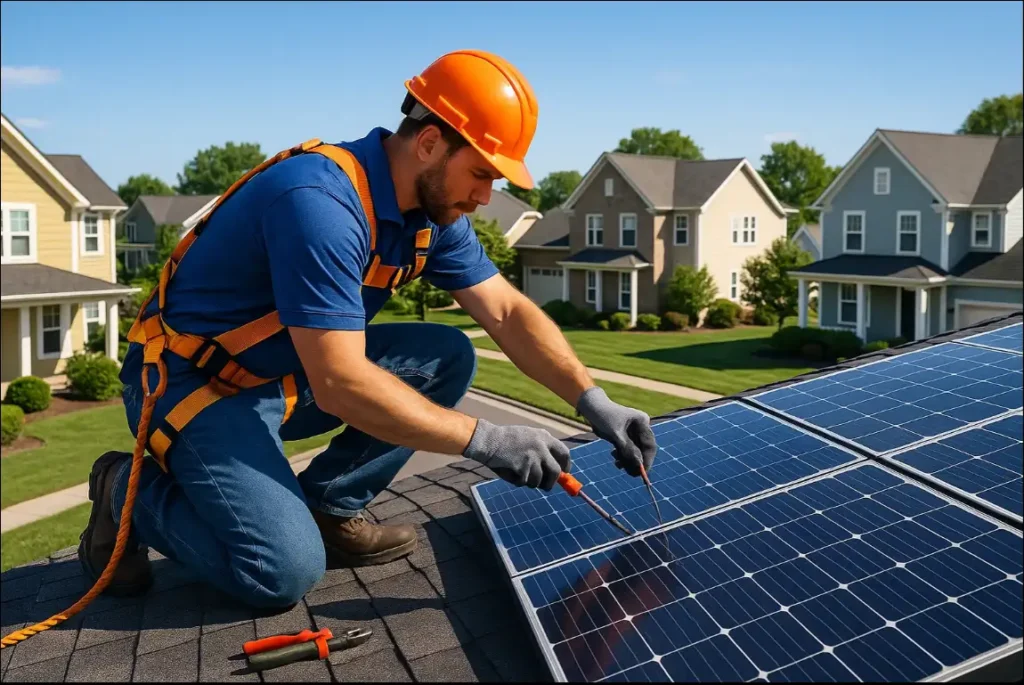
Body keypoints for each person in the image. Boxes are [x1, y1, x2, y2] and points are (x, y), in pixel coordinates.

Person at [78, 49, 658, 610]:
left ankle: (330, 506)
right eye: (481, 173)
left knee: (447, 355)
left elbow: (506, 311)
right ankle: (122, 485)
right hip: (193, 387)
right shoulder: (320, 203)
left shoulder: (431, 213)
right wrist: (488, 439)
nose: (486, 197)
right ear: (429, 141)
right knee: (280, 573)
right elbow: (340, 384)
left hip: (277, 374)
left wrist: (592, 399)